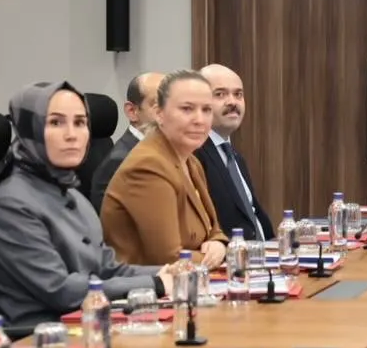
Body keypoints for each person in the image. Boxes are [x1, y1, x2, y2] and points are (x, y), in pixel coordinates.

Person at [0, 81, 171, 329]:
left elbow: (107, 269)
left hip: (87, 324)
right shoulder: (10, 206)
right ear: (29, 131)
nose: (72, 134)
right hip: (38, 338)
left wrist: (169, 272)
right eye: (56, 123)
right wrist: (155, 284)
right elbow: (60, 290)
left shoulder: (73, 195)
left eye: (80, 123)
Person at [101, 69, 228, 267]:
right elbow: (169, 258)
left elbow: (213, 229)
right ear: (159, 114)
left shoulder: (191, 161)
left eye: (206, 110)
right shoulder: (148, 165)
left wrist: (219, 244)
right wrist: (215, 258)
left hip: (193, 279)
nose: (199, 120)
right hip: (148, 284)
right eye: (187, 109)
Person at [195, 63, 273, 241]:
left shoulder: (234, 156)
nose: (232, 102)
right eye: (220, 94)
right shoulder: (194, 155)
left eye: (238, 94)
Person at [90, 71, 162, 210]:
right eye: (158, 105)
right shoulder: (121, 161)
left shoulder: (168, 151)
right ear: (132, 111)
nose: (169, 113)